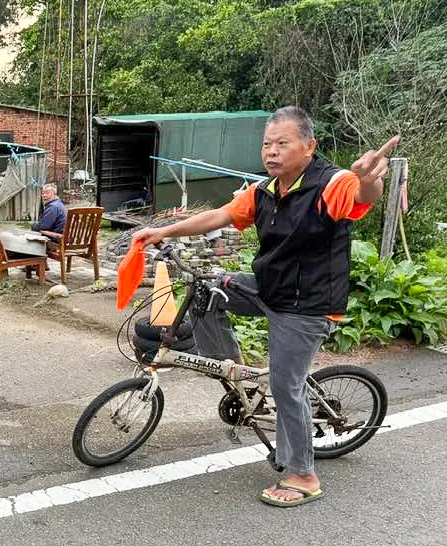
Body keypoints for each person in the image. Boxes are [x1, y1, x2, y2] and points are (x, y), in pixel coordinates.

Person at [132, 106, 398, 507]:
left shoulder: (332, 183)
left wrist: (367, 180)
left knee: (285, 386)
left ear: (309, 147)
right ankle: (233, 372)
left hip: (308, 305)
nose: (271, 151)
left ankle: (303, 474)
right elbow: (221, 214)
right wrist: (163, 230)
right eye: (266, 144)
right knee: (208, 288)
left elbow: (362, 196)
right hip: (271, 289)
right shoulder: (265, 191)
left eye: (282, 143)